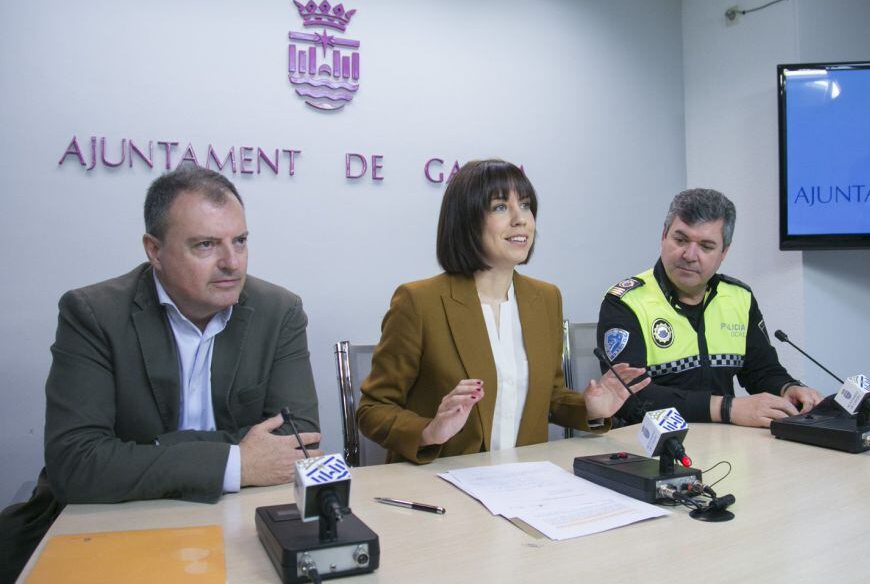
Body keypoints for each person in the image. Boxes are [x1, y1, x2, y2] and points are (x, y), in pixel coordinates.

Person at [0, 167, 321, 582]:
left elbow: (299, 443)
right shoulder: (93, 314)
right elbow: (76, 464)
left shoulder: (280, 311)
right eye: (206, 245)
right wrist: (236, 460)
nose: (231, 263)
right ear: (155, 250)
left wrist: (138, 452)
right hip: (109, 530)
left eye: (240, 241)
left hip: (238, 525)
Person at [357, 159, 648, 464]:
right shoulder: (419, 301)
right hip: (443, 482)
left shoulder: (545, 298)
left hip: (523, 483)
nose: (520, 219)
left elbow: (548, 397)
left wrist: (590, 409)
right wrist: (430, 430)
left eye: (525, 205)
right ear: (466, 220)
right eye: (499, 207)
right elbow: (373, 410)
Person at [596, 188, 822, 428]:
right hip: (651, 450)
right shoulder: (626, 302)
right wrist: (727, 408)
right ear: (664, 235)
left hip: (728, 447)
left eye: (706, 246)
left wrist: (788, 388)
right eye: (680, 240)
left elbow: (761, 370)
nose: (689, 255)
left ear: (724, 252)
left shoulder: (739, 297)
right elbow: (632, 399)